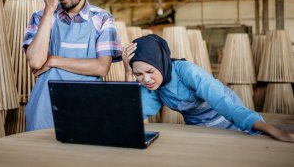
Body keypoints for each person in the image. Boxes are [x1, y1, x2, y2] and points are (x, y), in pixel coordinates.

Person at [122, 34, 294, 143]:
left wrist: (273, 130)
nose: (146, 79)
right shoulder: (155, 86)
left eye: (150, 71)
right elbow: (131, 115)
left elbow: (226, 105)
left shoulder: (186, 71)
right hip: (198, 130)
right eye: (139, 74)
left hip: (231, 123)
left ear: (161, 62)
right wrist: (128, 75)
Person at [23, 0, 122, 131]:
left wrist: (54, 60)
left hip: (89, 107)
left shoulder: (103, 18)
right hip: (45, 109)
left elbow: (101, 67)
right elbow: (37, 61)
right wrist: (49, 10)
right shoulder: (40, 17)